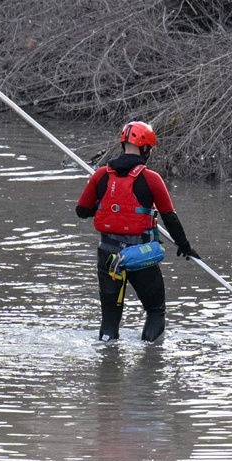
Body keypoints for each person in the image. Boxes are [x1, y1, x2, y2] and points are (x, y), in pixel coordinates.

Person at [75, 121, 199, 342]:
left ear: (123, 144)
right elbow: (169, 217)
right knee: (155, 311)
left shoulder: (101, 175)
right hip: (140, 255)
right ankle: (151, 364)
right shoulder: (151, 179)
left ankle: (107, 363)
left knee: (109, 320)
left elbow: (82, 211)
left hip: (107, 255)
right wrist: (184, 246)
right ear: (146, 149)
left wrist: (108, 207)